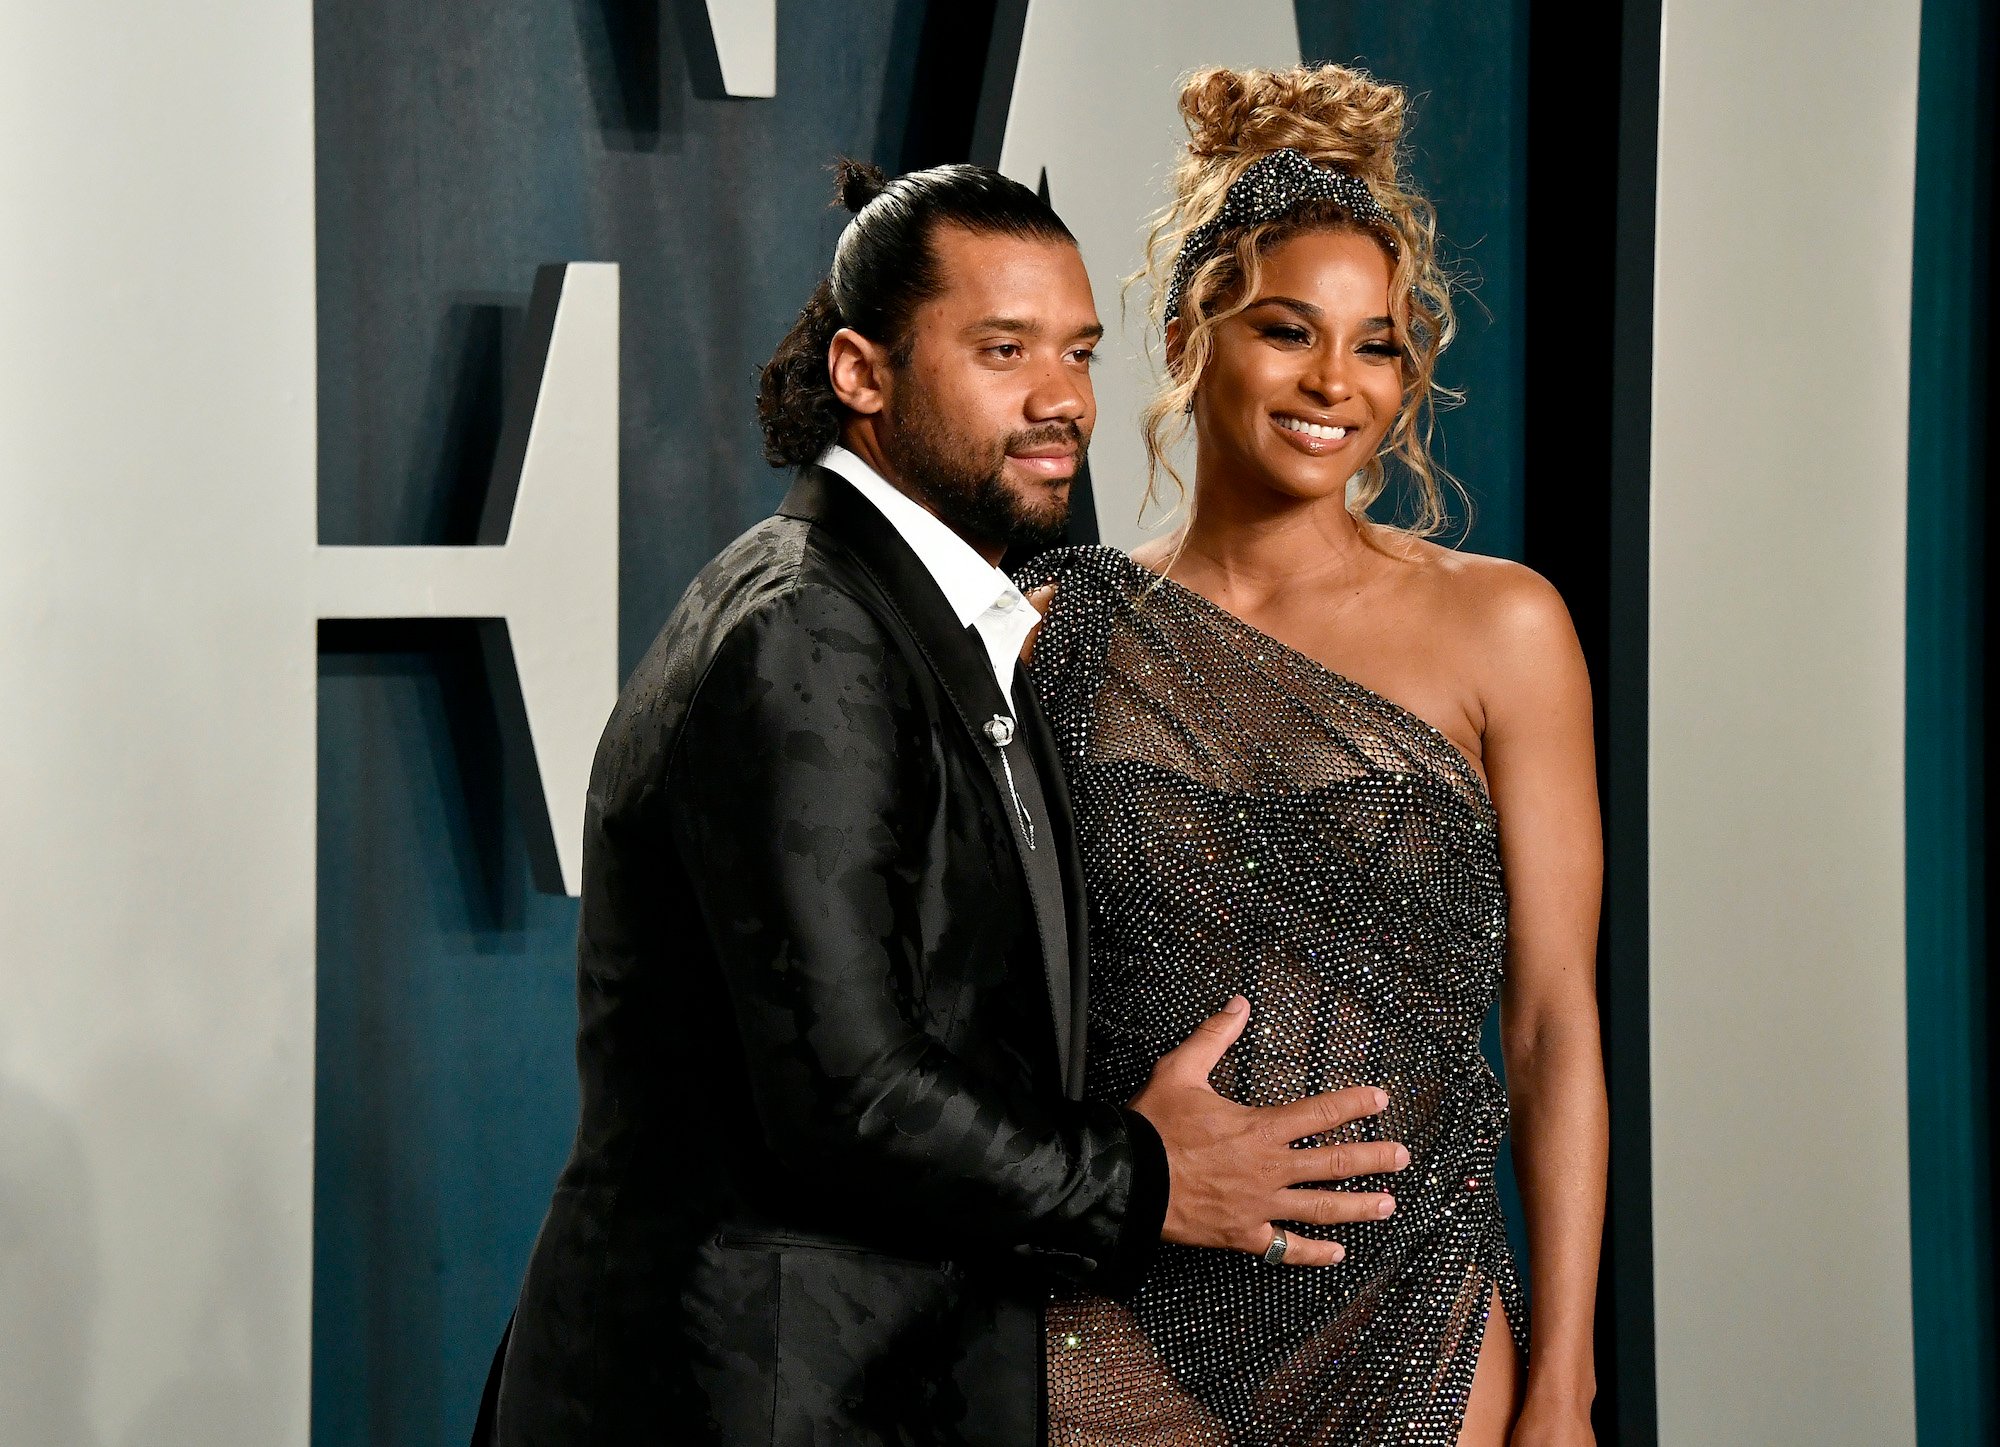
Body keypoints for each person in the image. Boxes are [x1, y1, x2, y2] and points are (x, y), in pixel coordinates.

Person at [476, 159, 1413, 1447]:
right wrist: (1149, 1179)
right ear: (862, 374)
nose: (1062, 400)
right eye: (1002, 350)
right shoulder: (808, 630)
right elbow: (852, 1094)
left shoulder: (926, 618)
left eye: (1078, 353)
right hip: (747, 1396)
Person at [1018, 65, 1608, 1445]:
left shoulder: (1501, 626)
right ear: (1185, 335)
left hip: (1408, 1309)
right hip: (1124, 1309)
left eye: (1380, 344)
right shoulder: (1057, 630)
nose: (1336, 383)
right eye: (1289, 330)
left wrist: (1569, 1377)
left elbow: (1551, 1028)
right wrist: (1118, 1170)